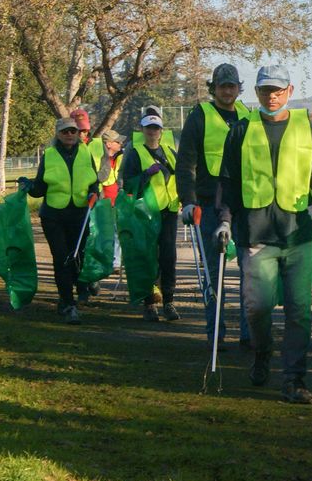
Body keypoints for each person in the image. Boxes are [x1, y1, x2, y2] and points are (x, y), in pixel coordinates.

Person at [218, 65, 312, 404]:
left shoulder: (307, 129)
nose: (272, 95)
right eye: (265, 90)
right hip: (255, 233)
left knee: (299, 309)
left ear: (290, 90)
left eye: (278, 89)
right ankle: (261, 352)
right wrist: (224, 220)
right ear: (255, 93)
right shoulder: (241, 130)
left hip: (299, 234)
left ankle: (294, 380)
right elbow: (228, 182)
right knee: (258, 307)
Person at [175, 63, 251, 348]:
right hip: (208, 204)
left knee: (249, 271)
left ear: (238, 88)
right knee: (213, 274)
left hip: (242, 203)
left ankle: (249, 333)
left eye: (232, 86)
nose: (228, 90)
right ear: (213, 88)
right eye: (222, 86)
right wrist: (188, 201)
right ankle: (216, 333)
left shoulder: (248, 115)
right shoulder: (200, 116)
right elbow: (186, 164)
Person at [18, 116, 102, 325]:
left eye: (73, 131)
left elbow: (94, 182)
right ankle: (68, 303)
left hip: (80, 214)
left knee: (77, 256)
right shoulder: (50, 155)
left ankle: (78, 288)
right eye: (65, 132)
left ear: (78, 133)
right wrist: (28, 186)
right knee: (62, 258)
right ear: (57, 134)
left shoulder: (86, 152)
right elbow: (40, 188)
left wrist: (94, 193)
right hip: (54, 216)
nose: (70, 135)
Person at [122, 109, 181, 322]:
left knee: (168, 257)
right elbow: (128, 184)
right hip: (146, 213)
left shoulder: (170, 151)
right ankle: (149, 303)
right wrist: (145, 176)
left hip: (169, 210)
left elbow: (182, 175)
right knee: (148, 256)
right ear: (142, 129)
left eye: (156, 128)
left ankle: (169, 301)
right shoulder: (135, 152)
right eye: (149, 128)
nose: (152, 132)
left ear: (161, 130)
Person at [88, 129, 125, 204]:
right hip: (102, 204)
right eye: (117, 142)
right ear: (108, 144)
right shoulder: (100, 159)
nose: (121, 143)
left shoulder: (117, 157)